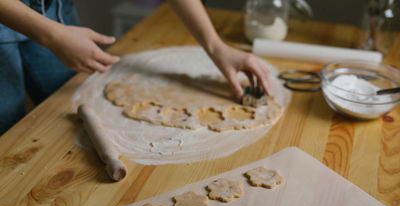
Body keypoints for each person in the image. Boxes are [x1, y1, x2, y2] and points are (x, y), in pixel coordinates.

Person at [0, 0, 271, 135]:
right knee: (7, 133)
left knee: (68, 118)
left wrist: (215, 46)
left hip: (50, 7)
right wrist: (53, 36)